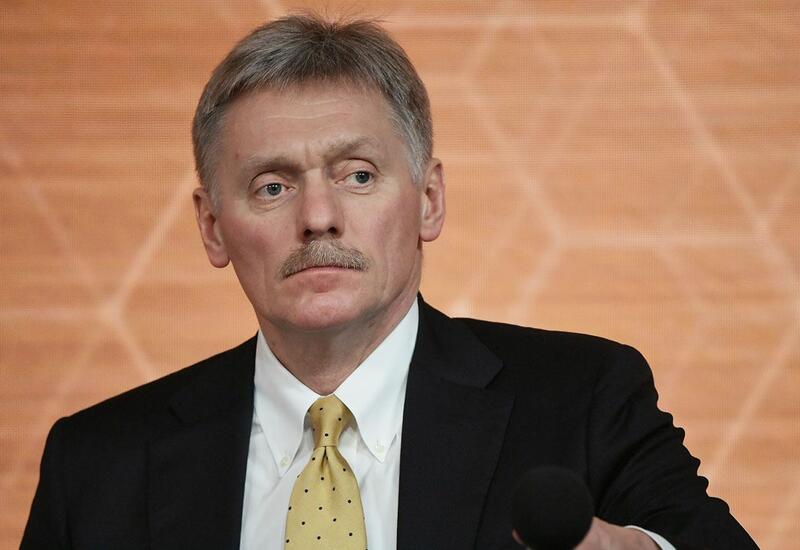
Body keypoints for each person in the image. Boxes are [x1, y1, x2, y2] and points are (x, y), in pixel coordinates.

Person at [21, 14, 757, 550]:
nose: (318, 217)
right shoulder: (96, 466)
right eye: (273, 186)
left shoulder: (585, 399)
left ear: (428, 200)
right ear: (212, 227)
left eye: (358, 175)